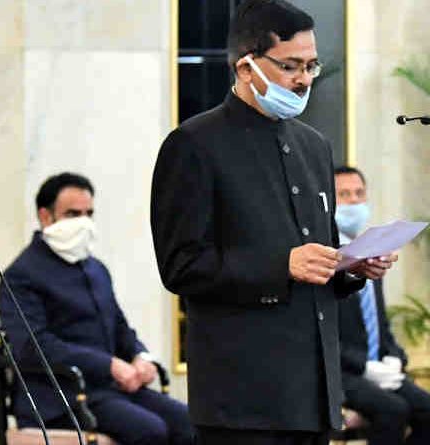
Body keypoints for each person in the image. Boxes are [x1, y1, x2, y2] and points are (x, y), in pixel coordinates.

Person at [150, 1, 397, 443]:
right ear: (246, 67)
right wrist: (281, 265)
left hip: (314, 395)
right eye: (290, 66)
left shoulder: (314, 146)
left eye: (311, 65)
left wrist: (353, 267)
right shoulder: (193, 145)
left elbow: (317, 258)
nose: (303, 79)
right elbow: (181, 266)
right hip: (243, 401)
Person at [0, 173, 193, 445]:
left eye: (88, 213)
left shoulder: (95, 268)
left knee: (189, 422)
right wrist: (109, 365)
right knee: (150, 430)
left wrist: (140, 357)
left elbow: (119, 326)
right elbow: (33, 346)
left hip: (109, 390)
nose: (83, 222)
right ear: (45, 217)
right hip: (60, 398)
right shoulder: (21, 275)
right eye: (72, 214)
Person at [335, 166, 430, 445]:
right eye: (344, 194)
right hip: (342, 371)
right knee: (393, 409)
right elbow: (322, 331)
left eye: (359, 193)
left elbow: (379, 324)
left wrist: (395, 358)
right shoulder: (327, 258)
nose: (354, 201)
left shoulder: (370, 251)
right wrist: (364, 366)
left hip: (377, 368)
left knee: (426, 409)